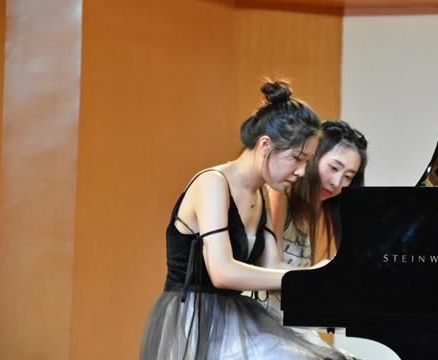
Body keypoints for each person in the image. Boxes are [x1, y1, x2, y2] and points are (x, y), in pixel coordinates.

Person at [140, 81, 349, 359]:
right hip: (196, 321)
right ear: (265, 145)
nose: (301, 172)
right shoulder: (212, 183)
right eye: (297, 159)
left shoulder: (263, 193)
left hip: (231, 319)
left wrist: (327, 280)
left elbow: (272, 266)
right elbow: (222, 272)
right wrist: (306, 277)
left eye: (306, 162)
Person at [269, 120, 368, 268]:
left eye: (348, 176)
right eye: (334, 168)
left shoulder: (334, 212)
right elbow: (271, 267)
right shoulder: (279, 194)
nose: (336, 183)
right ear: (311, 157)